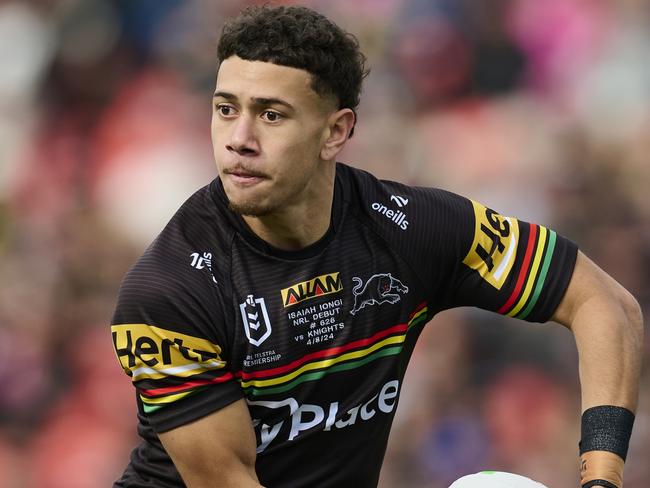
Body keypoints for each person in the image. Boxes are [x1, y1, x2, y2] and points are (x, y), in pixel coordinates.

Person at [110, 5, 643, 488]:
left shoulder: (412, 228)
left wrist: (601, 478)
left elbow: (605, 304)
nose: (238, 138)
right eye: (226, 109)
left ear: (336, 133)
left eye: (271, 114)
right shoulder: (168, 292)